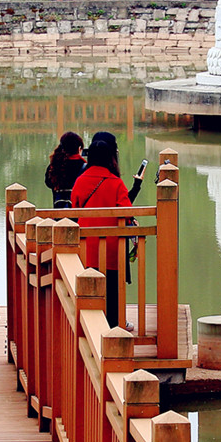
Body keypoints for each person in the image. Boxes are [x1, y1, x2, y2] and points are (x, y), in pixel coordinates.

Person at [69, 132, 146, 328]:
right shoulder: (115, 183)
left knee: (89, 290)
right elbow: (126, 212)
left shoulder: (79, 181)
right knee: (112, 289)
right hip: (111, 249)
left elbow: (75, 208)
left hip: (86, 248)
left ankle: (90, 327)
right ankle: (114, 327)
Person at [43, 131, 87, 207]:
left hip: (59, 214)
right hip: (78, 215)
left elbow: (49, 183)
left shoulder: (54, 166)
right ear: (79, 148)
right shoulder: (85, 167)